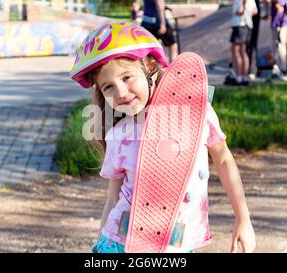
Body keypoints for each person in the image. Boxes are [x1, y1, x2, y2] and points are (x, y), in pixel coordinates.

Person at [70, 21, 256, 253]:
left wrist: (243, 219)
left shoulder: (196, 115)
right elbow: (113, 199)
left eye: (127, 78)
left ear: (148, 66)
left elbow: (224, 159)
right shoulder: (118, 136)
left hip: (178, 244)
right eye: (108, 87)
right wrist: (100, 248)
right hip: (119, 244)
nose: (121, 92)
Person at [229, 0, 258, 86]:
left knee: (236, 51)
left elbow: (240, 12)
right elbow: (255, 11)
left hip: (240, 25)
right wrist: (248, 13)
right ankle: (243, 76)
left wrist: (243, 9)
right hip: (246, 25)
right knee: (243, 51)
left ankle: (239, 76)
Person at [264, 0, 287, 78]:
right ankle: (277, 68)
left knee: (280, 46)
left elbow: (281, 8)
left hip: (280, 24)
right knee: (275, 47)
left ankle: (282, 68)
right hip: (276, 23)